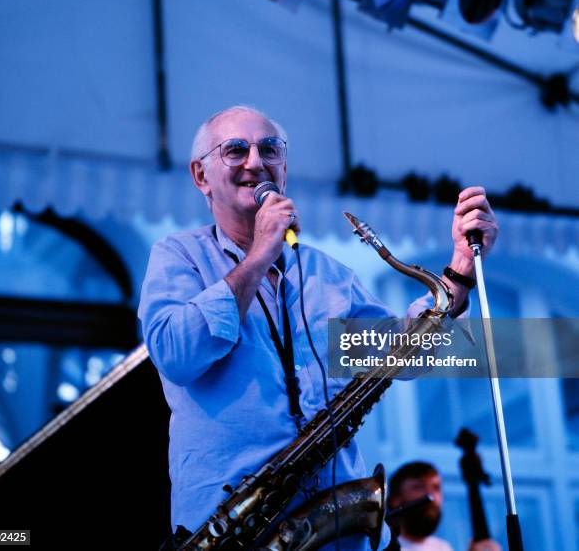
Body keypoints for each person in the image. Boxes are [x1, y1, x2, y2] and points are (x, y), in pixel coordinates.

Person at [138, 105, 499, 550]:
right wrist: (260, 255)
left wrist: (459, 272)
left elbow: (403, 358)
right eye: (235, 150)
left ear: (283, 169)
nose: (255, 161)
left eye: (269, 149)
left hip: (334, 530)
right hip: (234, 529)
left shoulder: (327, 274)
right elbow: (176, 354)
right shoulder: (178, 256)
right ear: (200, 175)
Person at [387, 461, 501, 551]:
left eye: (436, 488)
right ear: (395, 499)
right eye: (419, 487)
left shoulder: (442, 547)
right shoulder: (383, 546)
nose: (430, 495)